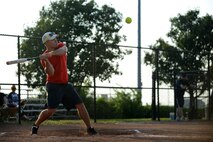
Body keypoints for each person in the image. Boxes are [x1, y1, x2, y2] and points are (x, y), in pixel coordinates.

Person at [31, 32, 97, 135]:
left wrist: (51, 54)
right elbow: (51, 73)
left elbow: (64, 51)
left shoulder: (60, 46)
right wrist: (47, 60)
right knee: (51, 111)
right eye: (53, 39)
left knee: (80, 105)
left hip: (65, 84)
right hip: (53, 85)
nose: (56, 40)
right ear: (47, 42)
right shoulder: (44, 58)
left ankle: (89, 128)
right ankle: (36, 125)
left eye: (55, 38)